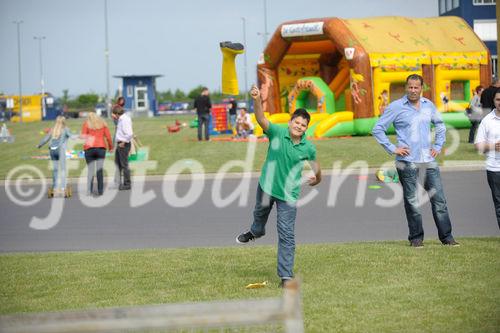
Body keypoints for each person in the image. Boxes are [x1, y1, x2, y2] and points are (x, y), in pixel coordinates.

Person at [236, 85, 322, 287]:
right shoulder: (277, 132)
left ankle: (285, 276)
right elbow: (261, 119)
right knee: (259, 216)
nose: (299, 126)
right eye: (296, 122)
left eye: (303, 125)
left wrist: (317, 179)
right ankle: (256, 232)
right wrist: (257, 100)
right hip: (266, 187)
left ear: (306, 128)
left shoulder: (308, 147)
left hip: (288, 196)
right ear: (290, 121)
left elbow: (316, 166)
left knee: (287, 235)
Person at [372, 74, 459, 247]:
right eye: (410, 87)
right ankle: (416, 238)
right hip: (407, 160)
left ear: (421, 88)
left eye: (416, 87)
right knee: (412, 201)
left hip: (428, 160)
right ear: (406, 88)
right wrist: (392, 148)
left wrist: (438, 144)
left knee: (439, 200)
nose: (413, 90)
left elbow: (440, 125)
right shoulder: (396, 107)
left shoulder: (428, 105)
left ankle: (447, 238)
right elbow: (378, 129)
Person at [474, 90, 500, 229]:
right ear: (494, 101)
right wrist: (493, 146)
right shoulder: (487, 120)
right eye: (498, 100)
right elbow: (478, 146)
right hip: (495, 169)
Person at [37, 116, 73, 197]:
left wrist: (39, 145)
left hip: (52, 151)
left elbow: (46, 138)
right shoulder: (65, 129)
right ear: (64, 122)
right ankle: (63, 188)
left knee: (55, 170)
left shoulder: (53, 129)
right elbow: (72, 136)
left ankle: (55, 187)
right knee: (63, 169)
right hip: (60, 150)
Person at [81, 112, 113, 196]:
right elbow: (108, 137)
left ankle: (89, 191)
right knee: (99, 171)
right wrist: (111, 147)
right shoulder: (102, 123)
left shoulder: (86, 124)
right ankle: (100, 191)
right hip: (101, 148)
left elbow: (83, 137)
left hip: (89, 149)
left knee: (90, 170)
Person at [112, 99, 133, 190]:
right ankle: (118, 182)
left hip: (123, 144)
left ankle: (127, 184)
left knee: (124, 165)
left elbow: (129, 134)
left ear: (117, 114)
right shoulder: (121, 119)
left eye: (114, 114)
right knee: (117, 163)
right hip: (120, 143)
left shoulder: (124, 120)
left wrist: (123, 142)